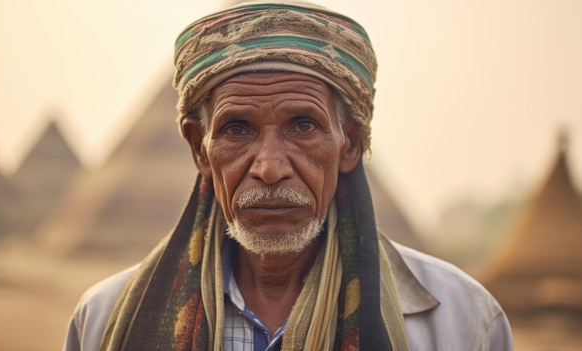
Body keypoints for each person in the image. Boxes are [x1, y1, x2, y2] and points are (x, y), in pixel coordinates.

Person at [63, 1, 513, 350]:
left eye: (303, 126)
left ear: (350, 143)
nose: (271, 168)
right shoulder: (103, 320)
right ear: (199, 148)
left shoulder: (463, 322)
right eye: (237, 129)